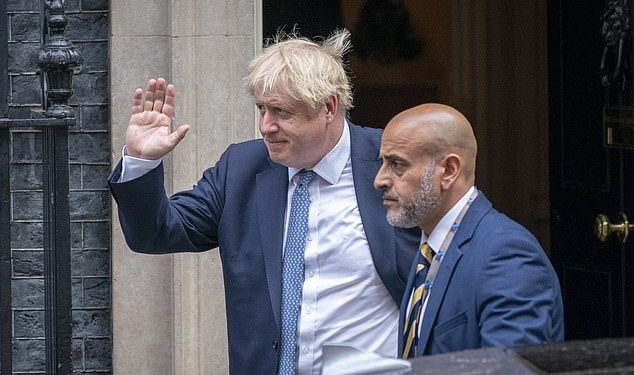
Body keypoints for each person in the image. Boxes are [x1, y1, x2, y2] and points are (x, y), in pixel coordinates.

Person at [107, 29, 419, 374]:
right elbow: (155, 233)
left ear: (329, 107)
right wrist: (141, 161)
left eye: (281, 112)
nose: (265, 126)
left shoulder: (392, 162)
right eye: (261, 109)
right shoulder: (240, 169)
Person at [373, 103, 564, 359]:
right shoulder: (428, 247)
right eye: (383, 162)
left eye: (397, 164)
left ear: (449, 171)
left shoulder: (506, 255)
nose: (379, 180)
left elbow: (511, 369)